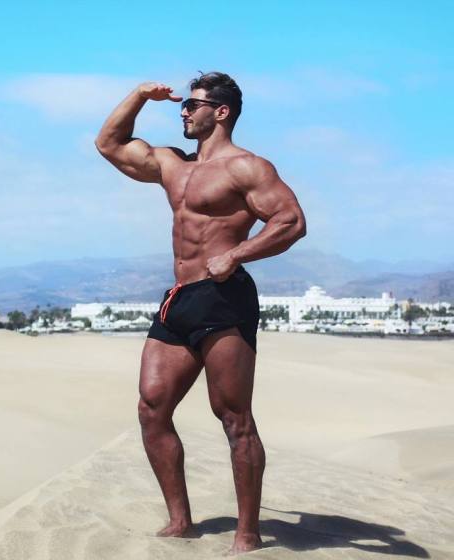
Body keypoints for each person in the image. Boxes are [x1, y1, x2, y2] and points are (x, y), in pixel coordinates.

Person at [95, 71, 306, 554]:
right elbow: (109, 144)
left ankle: (247, 533)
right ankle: (180, 521)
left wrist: (236, 255)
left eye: (192, 105)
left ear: (221, 112)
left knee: (233, 417)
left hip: (224, 296)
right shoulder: (174, 164)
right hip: (181, 297)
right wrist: (140, 95)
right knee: (152, 408)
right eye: (182, 106)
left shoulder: (247, 168)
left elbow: (291, 221)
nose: (184, 112)